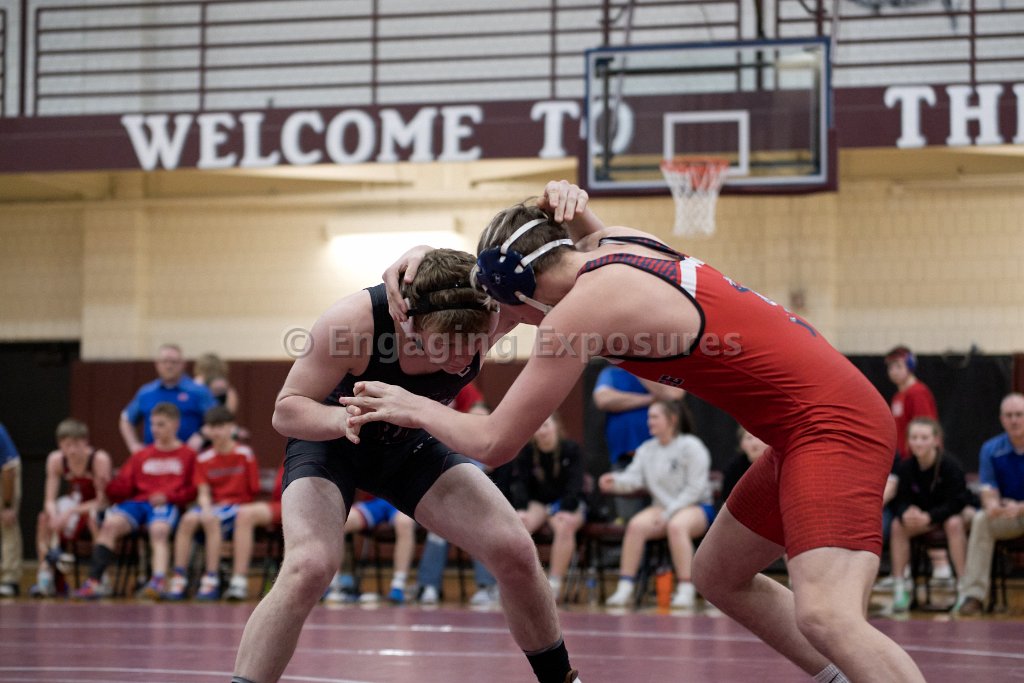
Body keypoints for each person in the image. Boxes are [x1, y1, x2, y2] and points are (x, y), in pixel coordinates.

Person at [350, 180, 926, 682]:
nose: (504, 325)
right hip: (806, 427)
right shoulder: (616, 243)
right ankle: (845, 675)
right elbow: (538, 243)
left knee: (827, 614)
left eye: (508, 312)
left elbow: (494, 443)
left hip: (831, 427)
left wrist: (412, 405)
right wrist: (427, 256)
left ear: (524, 295)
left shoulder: (576, 317)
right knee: (719, 573)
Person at [230, 248, 581, 683]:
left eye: (474, 346)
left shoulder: (498, 309)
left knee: (514, 549)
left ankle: (561, 680)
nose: (460, 360)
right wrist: (346, 419)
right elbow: (286, 411)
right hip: (332, 442)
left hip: (409, 444)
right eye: (443, 348)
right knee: (309, 566)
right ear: (408, 322)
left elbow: (558, 272)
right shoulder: (351, 324)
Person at [74, 402, 197, 599]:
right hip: (138, 503)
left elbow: (194, 490)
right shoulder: (141, 455)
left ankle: (157, 581)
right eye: (152, 424)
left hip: (166, 504)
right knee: (110, 525)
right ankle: (94, 581)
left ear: (175, 424)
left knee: (159, 529)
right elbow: (123, 488)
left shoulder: (188, 455)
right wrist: (106, 484)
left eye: (161, 424)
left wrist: (169, 497)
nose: (154, 429)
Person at [597, 400, 713, 608]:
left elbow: (695, 489)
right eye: (649, 417)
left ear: (672, 419)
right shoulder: (647, 449)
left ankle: (686, 588)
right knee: (636, 526)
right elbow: (633, 479)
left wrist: (670, 512)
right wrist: (614, 481)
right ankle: (625, 587)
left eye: (654, 417)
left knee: (677, 526)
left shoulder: (691, 446)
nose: (649, 421)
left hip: (696, 506)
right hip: (661, 507)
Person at [167, 406, 261, 601]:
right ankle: (179, 577)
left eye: (221, 426)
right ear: (207, 430)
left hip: (237, 506)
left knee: (211, 521)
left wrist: (212, 512)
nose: (217, 432)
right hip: (213, 505)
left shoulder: (245, 454)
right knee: (187, 520)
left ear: (231, 427)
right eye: (212, 427)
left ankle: (211, 579)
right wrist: (206, 508)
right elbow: (203, 492)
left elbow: (253, 489)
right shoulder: (203, 457)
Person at [888, 417, 972, 612]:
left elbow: (957, 501)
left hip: (951, 514)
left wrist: (930, 517)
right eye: (914, 437)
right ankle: (900, 588)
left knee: (953, 523)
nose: (919, 442)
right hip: (926, 518)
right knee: (897, 526)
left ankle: (964, 587)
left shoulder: (950, 465)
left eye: (924, 438)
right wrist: (906, 512)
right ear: (908, 441)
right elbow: (900, 500)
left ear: (936, 440)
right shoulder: (906, 467)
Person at [954, 392, 1024, 616]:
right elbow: (988, 490)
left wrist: (1020, 507)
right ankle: (974, 595)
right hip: (1008, 515)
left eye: (1019, 414)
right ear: (1002, 419)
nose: (1014, 420)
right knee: (982, 519)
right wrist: (994, 505)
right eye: (1009, 415)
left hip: (1021, 509)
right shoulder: (991, 449)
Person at [30, 419, 113, 597]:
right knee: (44, 518)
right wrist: (55, 517)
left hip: (97, 506)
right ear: (60, 444)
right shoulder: (55, 460)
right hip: (76, 504)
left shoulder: (99, 459)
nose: (72, 450)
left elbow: (103, 500)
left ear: (86, 441)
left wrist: (69, 512)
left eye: (77, 444)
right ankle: (45, 574)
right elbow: (49, 499)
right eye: (67, 445)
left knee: (94, 518)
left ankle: (100, 577)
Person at [509, 414, 586, 602]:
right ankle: (521, 583)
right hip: (539, 503)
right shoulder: (527, 453)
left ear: (556, 426)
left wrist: (565, 508)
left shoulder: (571, 450)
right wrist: (522, 509)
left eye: (545, 425)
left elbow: (575, 485)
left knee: (564, 526)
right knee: (519, 525)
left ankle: (554, 584)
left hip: (567, 503)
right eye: (537, 427)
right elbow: (520, 484)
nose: (541, 431)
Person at [593, 366, 684, 521]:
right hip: (626, 458)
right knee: (629, 517)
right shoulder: (612, 372)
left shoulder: (660, 368)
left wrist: (640, 370)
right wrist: (650, 399)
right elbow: (602, 399)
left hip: (665, 457)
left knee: (668, 514)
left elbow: (674, 394)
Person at [120, 343, 217, 454]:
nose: (169, 366)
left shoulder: (198, 391)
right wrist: (133, 445)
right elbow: (126, 419)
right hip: (154, 457)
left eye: (173, 362)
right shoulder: (146, 392)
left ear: (183, 364)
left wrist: (201, 435)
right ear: (157, 364)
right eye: (164, 361)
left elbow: (217, 419)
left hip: (190, 457)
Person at [325, 495, 416, 604]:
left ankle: (398, 586)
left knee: (405, 523)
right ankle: (333, 586)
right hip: (376, 502)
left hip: (402, 503)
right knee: (338, 520)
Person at [225, 464, 285, 601]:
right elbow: (280, 488)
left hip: (321, 505)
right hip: (286, 502)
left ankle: (331, 584)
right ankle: (238, 581)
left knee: (329, 515)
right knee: (244, 514)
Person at [0, 423, 22, 597]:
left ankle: (10, 579)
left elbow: (9, 470)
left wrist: (7, 505)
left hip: (6, 472)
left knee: (7, 522)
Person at [720, 427, 769, 505]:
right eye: (749, 438)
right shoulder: (734, 468)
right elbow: (727, 500)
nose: (754, 444)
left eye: (759, 437)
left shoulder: (777, 466)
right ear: (741, 444)